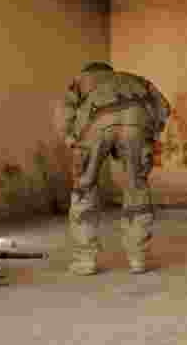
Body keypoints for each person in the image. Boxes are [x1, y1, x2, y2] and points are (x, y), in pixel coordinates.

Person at [63, 62, 170, 275]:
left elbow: (66, 111)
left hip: (96, 121)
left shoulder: (82, 80)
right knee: (136, 186)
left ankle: (86, 261)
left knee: (84, 186)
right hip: (136, 120)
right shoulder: (135, 79)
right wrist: (152, 136)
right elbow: (164, 107)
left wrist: (72, 142)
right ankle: (137, 259)